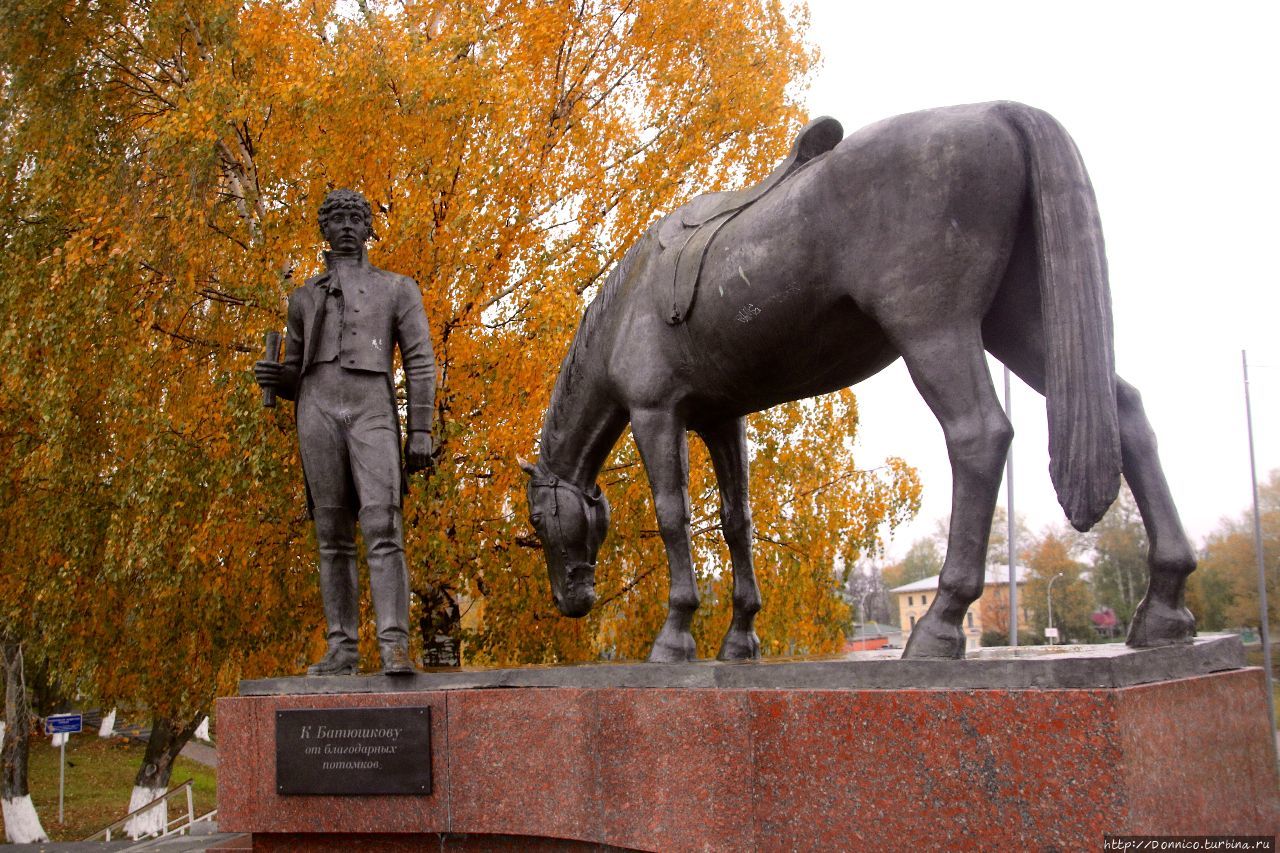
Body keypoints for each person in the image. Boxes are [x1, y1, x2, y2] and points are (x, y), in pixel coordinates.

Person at [254, 188, 435, 675]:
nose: (348, 227)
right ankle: (342, 648)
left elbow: (420, 360)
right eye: (338, 220)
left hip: (370, 406)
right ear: (325, 231)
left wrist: (420, 427)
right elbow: (296, 369)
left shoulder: (398, 288)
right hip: (316, 409)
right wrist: (279, 379)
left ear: (368, 227)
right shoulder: (303, 297)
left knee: (383, 522)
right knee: (331, 532)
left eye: (357, 218)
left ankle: (395, 643)